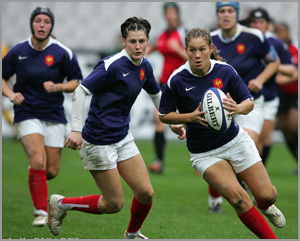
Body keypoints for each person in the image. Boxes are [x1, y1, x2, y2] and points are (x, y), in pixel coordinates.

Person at [48, 17, 184, 239]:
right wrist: (76, 130)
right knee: (113, 204)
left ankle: (132, 234)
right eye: (132, 41)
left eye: (142, 41)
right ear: (124, 41)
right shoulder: (111, 65)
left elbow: (156, 94)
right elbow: (81, 91)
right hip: (97, 141)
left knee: (146, 193)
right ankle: (62, 204)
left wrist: (173, 123)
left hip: (122, 137)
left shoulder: (145, 66)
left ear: (148, 41)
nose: (138, 46)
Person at [159, 27, 286, 239]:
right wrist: (188, 118)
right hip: (204, 152)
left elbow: (249, 102)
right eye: (192, 50)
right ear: (186, 50)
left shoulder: (225, 70)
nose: (197, 55)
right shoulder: (177, 79)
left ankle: (264, 205)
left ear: (210, 48)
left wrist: (237, 108)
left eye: (201, 49)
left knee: (267, 195)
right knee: (239, 199)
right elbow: (164, 115)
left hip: (235, 141)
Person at [2, 6, 83, 227]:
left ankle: (35, 174)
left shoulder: (62, 52)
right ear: (32, 24)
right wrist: (10, 93)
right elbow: (2, 76)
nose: (41, 25)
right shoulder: (18, 50)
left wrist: (58, 87)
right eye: (37, 20)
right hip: (26, 113)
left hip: (54, 115)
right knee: (38, 161)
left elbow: (77, 81)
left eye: (46, 21)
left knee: (51, 170)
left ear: (51, 26)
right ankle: (41, 212)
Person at [206, 2, 280, 213]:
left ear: (236, 14)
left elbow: (273, 62)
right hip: (221, 105)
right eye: (222, 11)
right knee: (217, 153)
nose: (226, 15)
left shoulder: (254, 36)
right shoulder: (211, 40)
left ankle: (247, 190)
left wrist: (260, 79)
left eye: (230, 11)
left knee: (250, 145)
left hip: (250, 103)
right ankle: (215, 198)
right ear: (218, 14)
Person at [244, 8, 297, 166]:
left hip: (268, 97)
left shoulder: (275, 43)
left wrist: (274, 66)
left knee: (260, 140)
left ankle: (256, 174)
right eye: (254, 22)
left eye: (261, 22)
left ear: (267, 24)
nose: (258, 25)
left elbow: (292, 71)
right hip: (245, 97)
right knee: (247, 141)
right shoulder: (243, 41)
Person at [146, 2, 188, 174]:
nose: (170, 16)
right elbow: (152, 46)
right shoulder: (161, 34)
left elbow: (194, 57)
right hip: (166, 83)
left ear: (177, 14)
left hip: (185, 83)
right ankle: (159, 162)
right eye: (167, 13)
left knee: (194, 120)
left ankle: (205, 159)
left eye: (173, 13)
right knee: (159, 118)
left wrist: (178, 49)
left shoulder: (184, 33)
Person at [275, 22, 298, 173]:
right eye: (278, 31)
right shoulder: (274, 50)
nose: (281, 34)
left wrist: (281, 79)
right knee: (285, 130)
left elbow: (295, 73)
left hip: (294, 94)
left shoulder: (293, 50)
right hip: (280, 95)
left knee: (294, 125)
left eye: (283, 31)